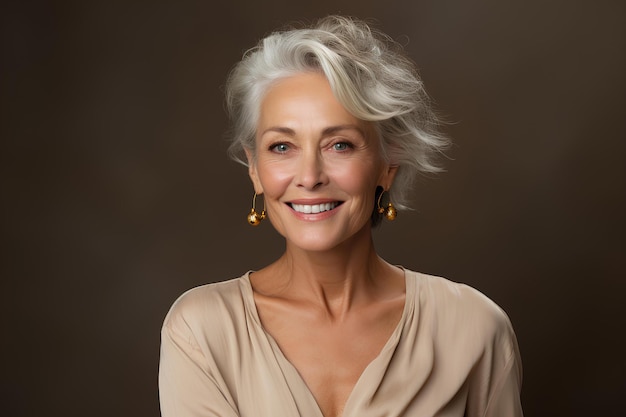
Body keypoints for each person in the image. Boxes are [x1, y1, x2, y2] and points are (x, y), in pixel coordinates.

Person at [158, 15, 523, 417]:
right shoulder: (201, 330)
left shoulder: (473, 328)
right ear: (253, 168)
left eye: (340, 145)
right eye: (282, 147)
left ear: (388, 163)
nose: (310, 177)